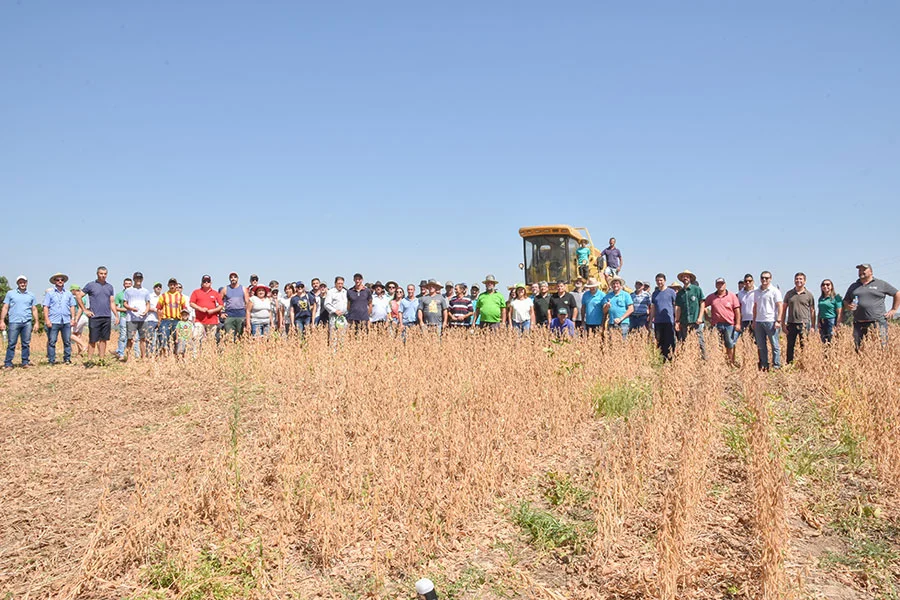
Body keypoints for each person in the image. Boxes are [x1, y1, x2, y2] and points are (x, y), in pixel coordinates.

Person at [844, 263, 900, 349]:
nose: (861, 272)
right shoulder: (853, 286)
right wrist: (848, 306)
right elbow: (846, 300)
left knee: (882, 346)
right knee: (859, 349)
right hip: (859, 323)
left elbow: (897, 293)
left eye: (864, 270)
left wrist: (894, 309)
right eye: (860, 270)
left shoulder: (880, 284)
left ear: (871, 272)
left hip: (878, 322)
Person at [79, 266, 117, 362]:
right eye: (101, 273)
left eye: (105, 274)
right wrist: (85, 310)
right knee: (93, 340)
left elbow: (112, 302)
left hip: (106, 316)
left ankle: (101, 359)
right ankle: (90, 360)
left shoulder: (110, 287)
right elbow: (78, 296)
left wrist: (116, 315)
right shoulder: (90, 285)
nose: (103, 276)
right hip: (94, 316)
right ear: (97, 274)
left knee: (103, 340)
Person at [2, 275, 39, 368]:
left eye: (24, 282)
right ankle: (8, 363)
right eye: (20, 282)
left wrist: (37, 322)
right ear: (17, 283)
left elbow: (34, 309)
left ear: (27, 283)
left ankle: (25, 362)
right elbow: (5, 307)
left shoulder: (31, 295)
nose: (22, 284)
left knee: (26, 343)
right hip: (14, 321)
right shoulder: (10, 294)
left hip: (27, 322)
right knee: (11, 343)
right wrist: (2, 320)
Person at [705, 277, 741, 366]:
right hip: (716, 325)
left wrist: (738, 323)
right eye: (718, 284)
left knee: (729, 344)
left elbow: (737, 311)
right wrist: (707, 317)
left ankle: (730, 362)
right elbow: (703, 305)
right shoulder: (711, 297)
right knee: (718, 345)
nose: (720, 285)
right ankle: (720, 363)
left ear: (725, 285)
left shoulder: (732, 296)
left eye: (722, 284)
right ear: (716, 285)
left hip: (729, 324)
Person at [43, 273, 77, 365]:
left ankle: (67, 359)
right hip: (53, 320)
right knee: (52, 341)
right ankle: (51, 360)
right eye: (58, 280)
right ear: (54, 282)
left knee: (67, 341)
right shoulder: (50, 294)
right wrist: (47, 320)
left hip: (66, 320)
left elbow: (72, 306)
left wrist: (73, 318)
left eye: (61, 280)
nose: (60, 281)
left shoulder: (68, 294)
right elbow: (46, 307)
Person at [752, 271, 783, 371]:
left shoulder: (775, 291)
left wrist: (778, 320)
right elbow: (755, 306)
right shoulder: (756, 291)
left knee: (774, 344)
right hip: (759, 321)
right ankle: (764, 365)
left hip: (771, 320)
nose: (764, 280)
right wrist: (754, 320)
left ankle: (776, 365)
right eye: (762, 278)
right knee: (761, 345)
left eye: (767, 278)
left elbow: (780, 305)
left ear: (770, 279)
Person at [783, 272, 816, 364]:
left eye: (801, 279)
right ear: (794, 280)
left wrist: (813, 326)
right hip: (791, 323)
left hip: (804, 324)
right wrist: (783, 324)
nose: (798, 281)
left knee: (804, 345)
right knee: (790, 346)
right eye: (797, 279)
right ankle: (789, 364)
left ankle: (804, 363)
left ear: (804, 281)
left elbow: (812, 311)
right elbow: (784, 309)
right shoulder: (789, 294)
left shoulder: (809, 295)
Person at [121, 272, 153, 362]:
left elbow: (148, 304)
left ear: (142, 279)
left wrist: (146, 311)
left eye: (140, 278)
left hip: (143, 318)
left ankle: (143, 358)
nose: (138, 280)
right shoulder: (128, 291)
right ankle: (129, 358)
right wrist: (131, 309)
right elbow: (124, 303)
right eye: (136, 278)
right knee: (130, 338)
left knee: (143, 338)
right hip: (131, 318)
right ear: (134, 279)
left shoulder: (146, 291)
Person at [674, 269, 706, 358]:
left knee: (700, 341)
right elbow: (678, 308)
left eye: (687, 276)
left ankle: (704, 360)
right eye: (683, 277)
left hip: (695, 321)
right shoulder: (680, 293)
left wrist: (700, 317)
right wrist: (677, 321)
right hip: (684, 321)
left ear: (690, 278)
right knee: (684, 341)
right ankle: (687, 360)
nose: (685, 278)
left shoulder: (697, 289)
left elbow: (702, 303)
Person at [189, 275, 223, 348]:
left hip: (212, 320)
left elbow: (221, 305)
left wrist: (213, 310)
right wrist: (200, 309)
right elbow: (191, 303)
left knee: (210, 340)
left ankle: (208, 355)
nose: (206, 282)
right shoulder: (196, 292)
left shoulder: (215, 293)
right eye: (204, 281)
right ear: (202, 283)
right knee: (196, 337)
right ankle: (195, 356)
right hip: (199, 320)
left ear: (211, 283)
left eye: (208, 281)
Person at [649, 273, 677, 360]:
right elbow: (653, 307)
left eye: (661, 280)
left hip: (669, 320)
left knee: (670, 341)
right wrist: (650, 320)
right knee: (659, 342)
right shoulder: (655, 294)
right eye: (657, 280)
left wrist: (676, 319)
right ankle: (662, 360)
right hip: (658, 321)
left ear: (664, 281)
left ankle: (671, 360)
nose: (659, 282)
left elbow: (676, 306)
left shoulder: (671, 292)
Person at [157, 279, 187, 354]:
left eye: (174, 284)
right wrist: (159, 320)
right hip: (165, 320)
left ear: (176, 285)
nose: (172, 286)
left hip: (177, 320)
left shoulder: (180, 296)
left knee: (177, 339)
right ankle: (165, 356)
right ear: (168, 285)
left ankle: (177, 356)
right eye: (171, 284)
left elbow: (184, 309)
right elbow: (158, 308)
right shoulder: (163, 296)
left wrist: (184, 321)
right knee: (163, 338)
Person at [220, 272, 250, 342]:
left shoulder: (243, 289)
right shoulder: (225, 289)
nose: (233, 278)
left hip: (241, 314)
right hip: (229, 315)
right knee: (229, 336)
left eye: (235, 277)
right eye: (231, 277)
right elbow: (219, 301)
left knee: (241, 336)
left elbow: (247, 302)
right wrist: (221, 313)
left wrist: (247, 315)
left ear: (237, 278)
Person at [324, 276, 349, 345]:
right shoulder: (331, 292)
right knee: (333, 337)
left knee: (343, 336)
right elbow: (327, 304)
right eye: (338, 283)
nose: (340, 285)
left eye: (342, 283)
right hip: (334, 316)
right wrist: (335, 311)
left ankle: (341, 353)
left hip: (343, 317)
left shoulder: (345, 292)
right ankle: (333, 354)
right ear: (335, 283)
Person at [817, 279, 842, 344]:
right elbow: (819, 311)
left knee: (832, 341)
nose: (825, 286)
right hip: (822, 321)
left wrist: (838, 324)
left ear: (831, 286)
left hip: (831, 321)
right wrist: (818, 322)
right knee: (824, 342)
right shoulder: (821, 298)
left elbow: (839, 312)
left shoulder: (836, 297)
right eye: (823, 285)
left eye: (828, 284)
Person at [113, 277, 133, 359]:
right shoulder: (119, 295)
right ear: (123, 285)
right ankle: (121, 354)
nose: (127, 285)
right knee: (122, 335)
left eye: (129, 284)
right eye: (126, 284)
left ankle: (130, 354)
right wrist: (125, 309)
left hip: (132, 317)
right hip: (123, 317)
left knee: (132, 337)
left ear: (131, 284)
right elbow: (115, 307)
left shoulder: (134, 294)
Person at [69, 285, 89, 357]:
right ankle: (80, 353)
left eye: (71, 291)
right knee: (78, 335)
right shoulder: (82, 297)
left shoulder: (79, 297)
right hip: (83, 317)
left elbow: (80, 309)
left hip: (80, 317)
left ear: (74, 290)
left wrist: (76, 319)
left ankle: (84, 345)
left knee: (69, 333)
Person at [736, 274, 756, 340]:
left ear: (753, 282)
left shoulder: (758, 292)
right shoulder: (740, 294)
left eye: (750, 281)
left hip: (756, 320)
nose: (748, 282)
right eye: (746, 281)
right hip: (744, 320)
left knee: (757, 342)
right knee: (745, 341)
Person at [146, 282, 162, 355]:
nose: (158, 288)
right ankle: (148, 353)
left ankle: (157, 353)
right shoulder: (149, 296)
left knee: (160, 338)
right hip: (151, 319)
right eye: (156, 286)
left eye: (159, 286)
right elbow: (146, 307)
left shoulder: (163, 297)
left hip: (160, 320)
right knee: (149, 338)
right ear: (154, 288)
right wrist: (155, 309)